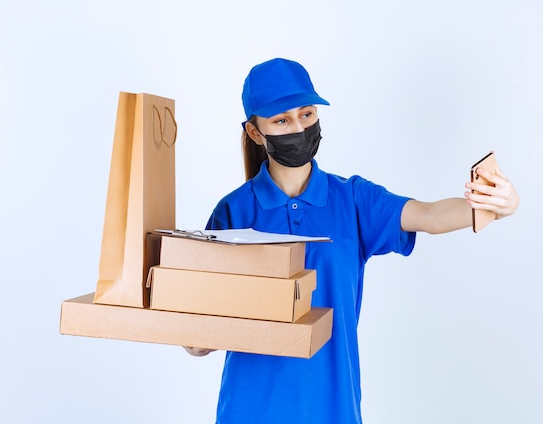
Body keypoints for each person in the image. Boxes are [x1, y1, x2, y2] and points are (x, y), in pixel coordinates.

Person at [185, 58, 519, 424]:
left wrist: (494, 206)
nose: (298, 127)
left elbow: (428, 215)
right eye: (281, 120)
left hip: (332, 409)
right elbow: (198, 339)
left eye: (307, 114)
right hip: (249, 411)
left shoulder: (353, 200)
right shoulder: (233, 212)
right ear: (255, 132)